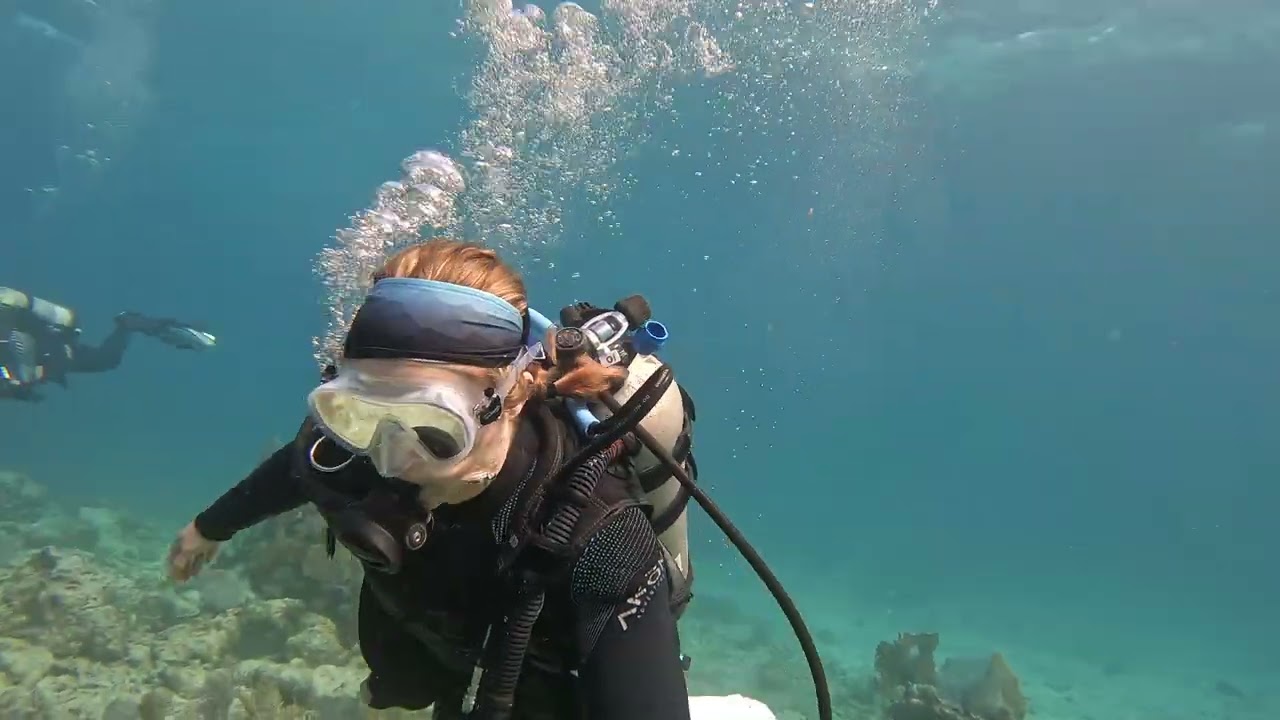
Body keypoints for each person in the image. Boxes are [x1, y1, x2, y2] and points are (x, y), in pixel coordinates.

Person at [167, 238, 701, 720]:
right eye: (360, 414)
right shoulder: (347, 452)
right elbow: (295, 466)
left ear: (507, 396)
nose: (390, 459)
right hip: (439, 653)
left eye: (434, 428)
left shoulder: (598, 534)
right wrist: (208, 528)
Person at [0, 286, 216, 402]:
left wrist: (27, 379)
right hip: (42, 348)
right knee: (106, 360)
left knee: (107, 359)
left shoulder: (9, 319)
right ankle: (130, 324)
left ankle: (131, 323)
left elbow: (23, 347)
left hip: (51, 344)